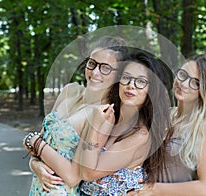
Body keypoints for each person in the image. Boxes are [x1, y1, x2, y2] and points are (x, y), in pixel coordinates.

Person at [23, 49, 171, 195]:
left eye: (140, 81)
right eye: (126, 77)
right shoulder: (109, 116)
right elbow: (67, 157)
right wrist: (35, 164)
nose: (131, 85)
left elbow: (86, 173)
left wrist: (94, 128)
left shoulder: (140, 135)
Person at [25, 36, 129, 195]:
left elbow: (73, 177)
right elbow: (40, 144)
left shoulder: (104, 115)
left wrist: (32, 140)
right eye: (92, 63)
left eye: (105, 68)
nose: (95, 72)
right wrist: (34, 165)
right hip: (38, 188)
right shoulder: (70, 90)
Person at [129, 54, 206, 195]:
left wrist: (152, 189)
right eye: (183, 75)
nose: (184, 84)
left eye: (195, 83)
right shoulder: (165, 115)